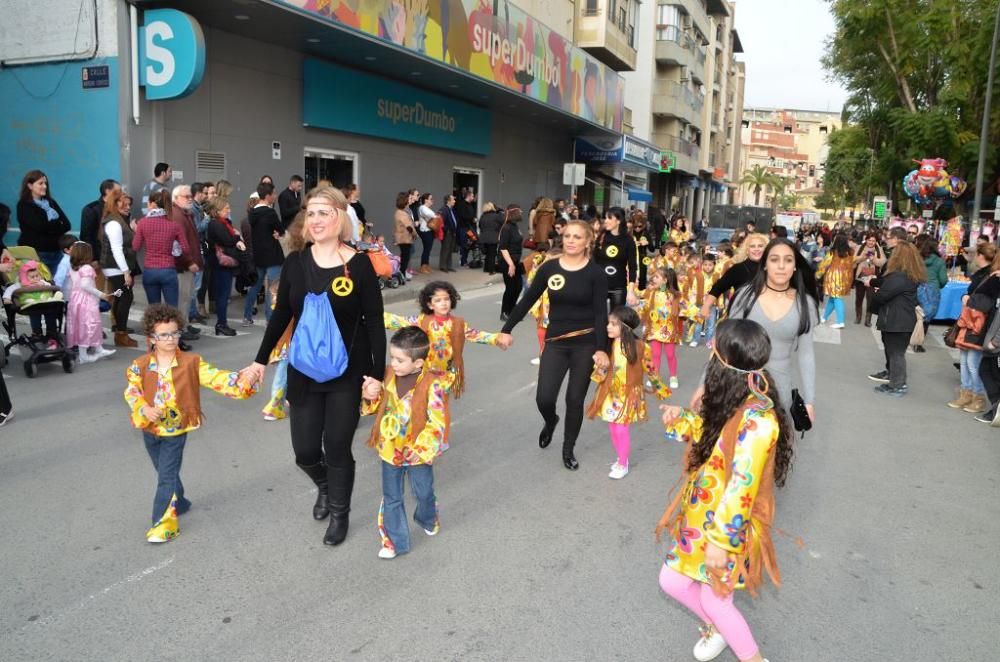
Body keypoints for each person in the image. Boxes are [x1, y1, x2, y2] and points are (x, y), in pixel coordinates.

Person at [241, 186, 386, 547]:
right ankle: (324, 485)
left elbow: (374, 321)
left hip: (348, 372)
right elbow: (281, 316)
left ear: (340, 217)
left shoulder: (360, 264)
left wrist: (376, 374)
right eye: (312, 213)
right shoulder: (295, 263)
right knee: (305, 451)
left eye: (325, 212)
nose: (317, 219)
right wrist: (260, 361)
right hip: (304, 370)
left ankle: (340, 513)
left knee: (337, 447)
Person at [656, 318, 793, 662]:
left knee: (715, 599)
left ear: (723, 360)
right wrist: (682, 420)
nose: (709, 353)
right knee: (673, 582)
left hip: (725, 528)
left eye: (712, 349)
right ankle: (718, 628)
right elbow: (710, 436)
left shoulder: (758, 418)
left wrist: (722, 542)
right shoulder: (730, 394)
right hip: (699, 516)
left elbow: (742, 484)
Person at [124, 304, 257, 543]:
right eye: (163, 334)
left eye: (174, 333)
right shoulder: (139, 365)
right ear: (152, 338)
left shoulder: (191, 362)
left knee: (165, 476)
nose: (170, 339)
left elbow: (216, 377)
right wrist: (144, 407)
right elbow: (132, 392)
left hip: (175, 430)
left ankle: (163, 526)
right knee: (165, 471)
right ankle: (181, 500)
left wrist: (244, 379)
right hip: (148, 427)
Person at [498, 220, 610, 471]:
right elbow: (527, 301)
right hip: (556, 343)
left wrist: (602, 348)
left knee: (574, 399)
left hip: (585, 343)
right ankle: (551, 421)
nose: (570, 240)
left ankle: (568, 449)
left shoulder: (595, 274)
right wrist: (506, 330)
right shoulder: (549, 269)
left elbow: (600, 314)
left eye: (577, 237)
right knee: (544, 398)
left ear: (587, 242)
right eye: (567, 235)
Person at [698, 238, 818, 421]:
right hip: (737, 389)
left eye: (788, 260)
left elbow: (806, 354)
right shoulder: (746, 296)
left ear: (795, 266)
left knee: (772, 448)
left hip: (778, 393)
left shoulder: (804, 303)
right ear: (764, 265)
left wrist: (809, 400)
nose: (781, 266)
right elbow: (722, 346)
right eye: (774, 259)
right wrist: (702, 386)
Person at [362, 326, 449, 559]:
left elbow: (438, 422)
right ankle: (394, 542)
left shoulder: (433, 385)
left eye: (400, 360)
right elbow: (376, 406)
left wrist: (420, 449)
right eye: (392, 357)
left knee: (424, 493)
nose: (394, 363)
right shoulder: (388, 375)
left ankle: (427, 517)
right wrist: (370, 394)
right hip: (390, 450)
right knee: (392, 498)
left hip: (417, 453)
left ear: (419, 363)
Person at [586, 306, 670, 480]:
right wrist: (600, 366)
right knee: (613, 428)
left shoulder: (640, 347)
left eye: (613, 324)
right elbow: (599, 375)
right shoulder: (608, 345)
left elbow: (651, 369)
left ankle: (623, 463)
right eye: (608, 323)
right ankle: (620, 458)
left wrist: (660, 389)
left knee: (621, 429)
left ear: (625, 327)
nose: (608, 327)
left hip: (629, 394)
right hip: (610, 394)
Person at [384, 280, 503, 396]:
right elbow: (399, 321)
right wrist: (375, 315)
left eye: (446, 299)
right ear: (430, 304)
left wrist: (496, 338)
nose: (444, 303)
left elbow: (475, 334)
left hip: (446, 374)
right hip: (424, 372)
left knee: (435, 405)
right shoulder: (422, 321)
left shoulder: (457, 324)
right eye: (438, 300)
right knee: (421, 403)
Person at [868, 241, 924, 397]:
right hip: (901, 319)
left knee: (896, 353)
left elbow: (882, 296)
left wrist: (877, 294)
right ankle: (895, 382)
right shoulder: (908, 275)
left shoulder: (899, 276)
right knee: (894, 352)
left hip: (897, 321)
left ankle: (898, 385)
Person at [947, 243, 998, 412]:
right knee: (965, 360)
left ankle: (978, 397)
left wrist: (968, 299)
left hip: (980, 324)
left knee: (972, 362)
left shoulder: (993, 277)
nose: (973, 257)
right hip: (972, 322)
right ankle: (966, 394)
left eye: (976, 254)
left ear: (981, 256)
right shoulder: (986, 275)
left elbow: (988, 304)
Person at [133, 190, 191, 309]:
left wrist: (136, 231)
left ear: (152, 204)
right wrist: (174, 247)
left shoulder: (142, 223)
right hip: (168, 270)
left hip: (150, 270)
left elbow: (135, 246)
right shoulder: (174, 225)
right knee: (172, 308)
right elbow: (186, 249)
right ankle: (172, 327)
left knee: (154, 309)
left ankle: (156, 327)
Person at [99, 189, 140, 347]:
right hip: (115, 267)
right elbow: (117, 249)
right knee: (125, 297)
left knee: (121, 297)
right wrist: (126, 272)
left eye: (129, 204)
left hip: (116, 266)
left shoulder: (118, 220)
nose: (127, 207)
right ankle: (121, 334)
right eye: (123, 204)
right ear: (114, 204)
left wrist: (133, 230)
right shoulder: (114, 223)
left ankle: (119, 331)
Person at [65, 242, 116, 363]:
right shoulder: (87, 268)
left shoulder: (73, 267)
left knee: (81, 326)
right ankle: (84, 356)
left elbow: (71, 285)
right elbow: (85, 285)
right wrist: (102, 294)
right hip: (86, 300)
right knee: (90, 325)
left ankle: (98, 349)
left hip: (76, 300)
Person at [243, 182, 285, 326]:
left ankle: (247, 316)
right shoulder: (270, 212)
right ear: (267, 196)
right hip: (273, 255)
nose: (275, 196)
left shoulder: (252, 213)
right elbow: (281, 230)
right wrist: (276, 233)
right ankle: (270, 319)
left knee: (255, 285)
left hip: (258, 255)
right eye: (274, 193)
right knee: (273, 288)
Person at [699, 233, 767, 321]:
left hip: (764, 317)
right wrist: (706, 306)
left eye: (760, 246)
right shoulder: (737, 269)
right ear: (747, 250)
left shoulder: (772, 270)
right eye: (752, 246)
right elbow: (718, 287)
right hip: (740, 317)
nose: (756, 249)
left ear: (766, 249)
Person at [16, 170, 72, 276]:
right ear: (30, 185)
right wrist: (56, 225)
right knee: (41, 285)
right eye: (40, 183)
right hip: (37, 253)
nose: (44, 186)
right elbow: (40, 227)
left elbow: (67, 225)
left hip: (56, 252)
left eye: (45, 183)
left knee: (55, 285)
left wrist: (49, 227)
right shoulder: (24, 205)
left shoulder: (51, 203)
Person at [635, 266, 683, 389]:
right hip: (654, 329)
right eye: (654, 276)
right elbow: (646, 306)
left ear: (665, 280)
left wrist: (692, 312)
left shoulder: (674, 295)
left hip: (668, 329)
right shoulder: (652, 293)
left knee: (670, 355)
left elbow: (684, 307)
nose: (653, 279)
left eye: (657, 277)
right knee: (655, 354)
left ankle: (673, 376)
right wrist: (639, 311)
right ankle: (654, 377)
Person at [3, 260, 62, 347]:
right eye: (32, 277)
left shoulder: (42, 282)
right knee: (35, 316)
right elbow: (10, 289)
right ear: (24, 277)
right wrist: (6, 298)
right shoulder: (20, 284)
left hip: (45, 303)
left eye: (37, 276)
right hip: (31, 305)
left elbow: (50, 287)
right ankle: (37, 333)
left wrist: (43, 285)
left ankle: (51, 332)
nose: (35, 278)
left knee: (50, 313)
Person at [170, 185, 203, 341]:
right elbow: (178, 244)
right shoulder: (177, 215)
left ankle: (185, 324)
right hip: (182, 266)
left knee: (187, 296)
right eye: (186, 196)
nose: (190, 199)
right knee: (183, 298)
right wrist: (189, 262)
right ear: (176, 199)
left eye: (190, 196)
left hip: (186, 264)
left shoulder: (184, 213)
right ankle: (181, 328)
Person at [593, 207, 639, 310]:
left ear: (618, 221)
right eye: (605, 218)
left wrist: (631, 291)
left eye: (609, 218)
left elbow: (632, 267)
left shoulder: (628, 240)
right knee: (598, 319)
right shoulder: (601, 237)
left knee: (616, 320)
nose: (606, 221)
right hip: (599, 286)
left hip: (619, 287)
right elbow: (593, 262)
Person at [912, 236, 947, 353]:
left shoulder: (917, 258)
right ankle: (919, 343)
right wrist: (938, 286)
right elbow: (943, 280)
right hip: (932, 290)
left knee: (915, 314)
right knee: (926, 318)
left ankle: (909, 337)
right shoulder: (939, 261)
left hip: (917, 286)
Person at [816, 235, 854, 329]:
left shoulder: (833, 252)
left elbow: (824, 264)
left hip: (834, 277)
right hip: (844, 278)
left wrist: (818, 274)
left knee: (837, 298)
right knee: (833, 298)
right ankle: (824, 317)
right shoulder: (850, 252)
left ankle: (840, 321)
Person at [80, 179, 120, 259]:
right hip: (100, 257)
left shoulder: (120, 208)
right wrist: (94, 258)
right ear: (108, 191)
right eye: (118, 191)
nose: (121, 193)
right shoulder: (91, 209)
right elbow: (86, 236)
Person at [497, 204, 525, 321]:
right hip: (507, 262)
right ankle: (504, 312)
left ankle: (512, 309)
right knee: (510, 287)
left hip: (515, 261)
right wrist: (511, 265)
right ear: (515, 212)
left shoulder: (515, 226)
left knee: (518, 286)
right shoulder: (507, 228)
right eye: (520, 210)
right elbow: (503, 248)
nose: (522, 212)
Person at [853, 232, 886, 326]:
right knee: (859, 298)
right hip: (860, 277)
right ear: (866, 240)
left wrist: (873, 259)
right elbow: (853, 260)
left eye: (873, 241)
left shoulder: (879, 249)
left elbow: (882, 262)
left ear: (876, 241)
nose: (871, 242)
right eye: (869, 240)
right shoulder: (859, 248)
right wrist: (863, 257)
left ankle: (868, 319)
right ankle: (858, 316)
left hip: (872, 278)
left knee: (870, 299)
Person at [393, 192, 416, 281]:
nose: (408, 201)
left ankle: (402, 274)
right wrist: (414, 234)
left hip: (402, 238)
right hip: (405, 238)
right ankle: (401, 275)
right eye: (407, 199)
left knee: (405, 257)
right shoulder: (402, 213)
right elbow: (409, 227)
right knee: (405, 258)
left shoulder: (399, 212)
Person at [478, 202, 503, 274]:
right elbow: (503, 223)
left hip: (483, 237)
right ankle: (491, 270)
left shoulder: (483, 216)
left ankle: (486, 268)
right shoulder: (496, 216)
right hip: (493, 237)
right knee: (492, 254)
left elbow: (480, 226)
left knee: (487, 253)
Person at [438, 194, 460, 272]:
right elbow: (440, 222)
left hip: (452, 232)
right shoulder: (444, 209)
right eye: (453, 199)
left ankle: (449, 266)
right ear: (448, 201)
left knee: (450, 249)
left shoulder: (451, 210)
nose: (454, 201)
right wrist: (446, 230)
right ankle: (443, 266)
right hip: (447, 232)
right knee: (445, 249)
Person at [416, 193, 437, 274]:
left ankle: (426, 265)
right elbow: (431, 215)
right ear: (426, 200)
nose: (432, 200)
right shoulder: (422, 207)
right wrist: (436, 216)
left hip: (429, 230)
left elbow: (433, 215)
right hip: (425, 231)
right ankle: (423, 267)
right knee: (426, 249)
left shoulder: (427, 208)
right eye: (431, 199)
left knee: (428, 249)